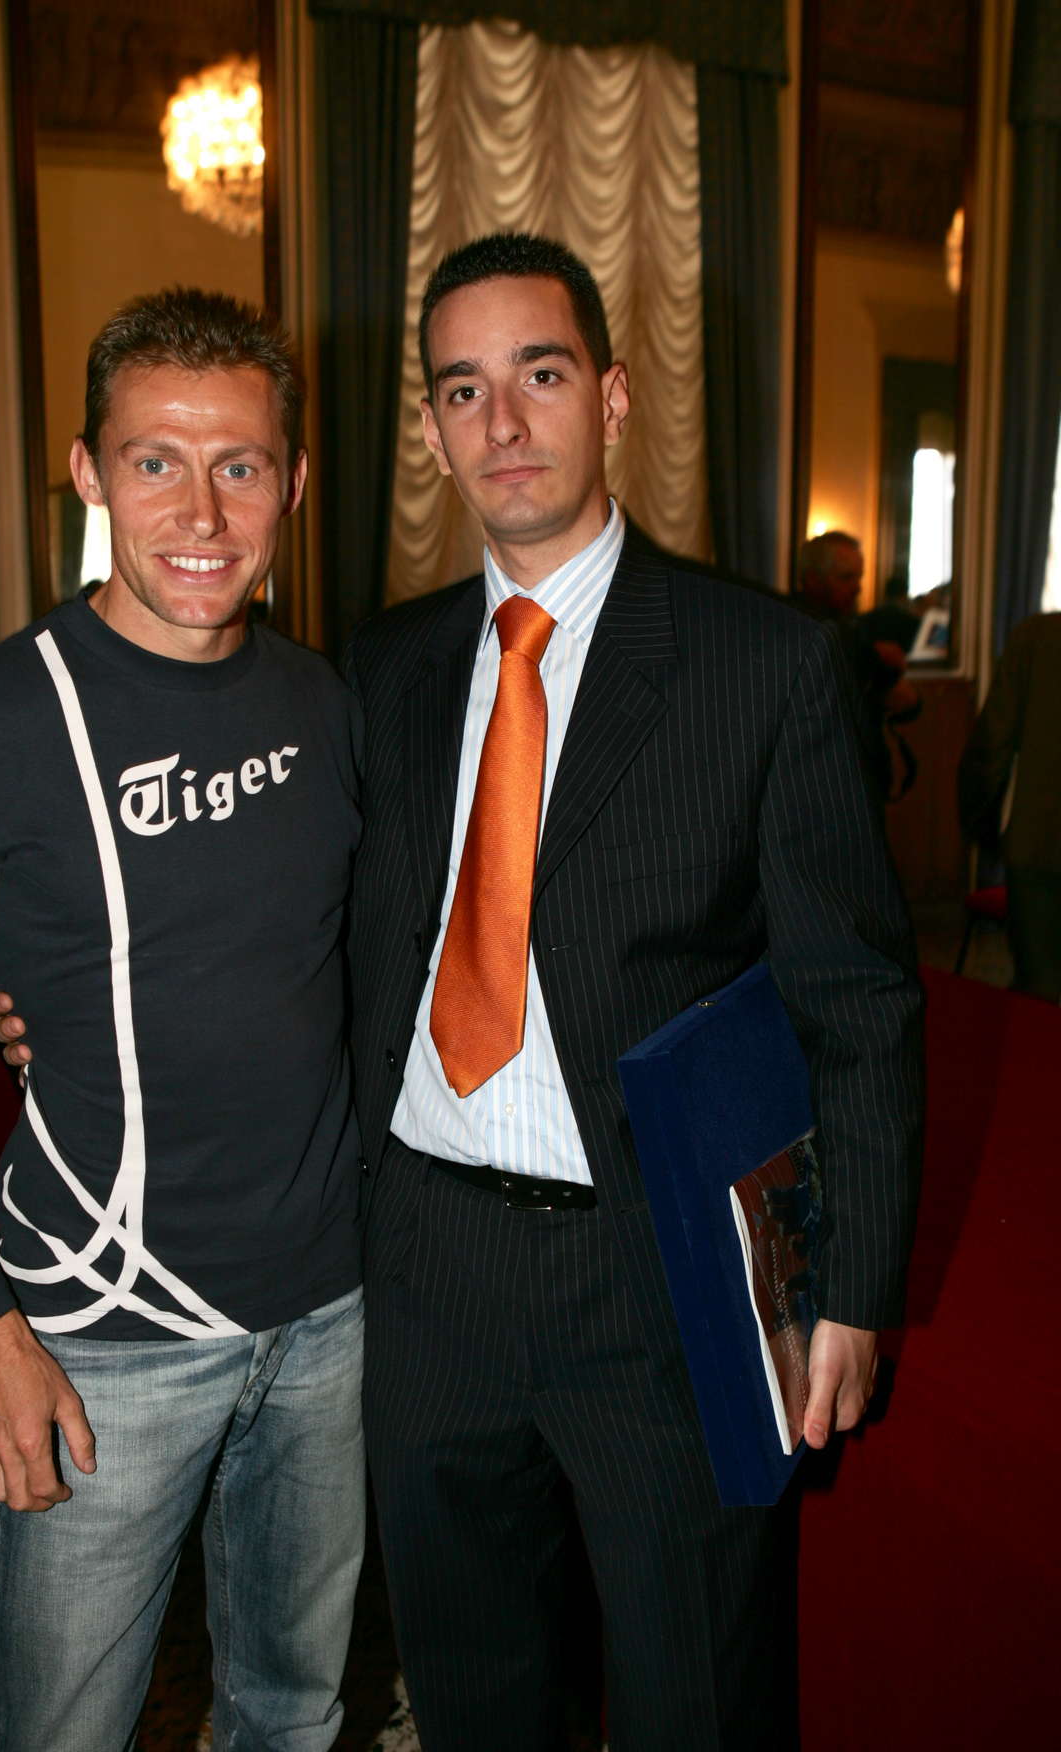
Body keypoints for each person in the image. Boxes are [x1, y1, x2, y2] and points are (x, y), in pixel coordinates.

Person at [344, 235, 923, 1750]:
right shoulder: (380, 672)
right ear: (431, 430)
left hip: (656, 1280)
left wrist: (853, 1287)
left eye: (538, 374)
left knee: (694, 1700)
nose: (502, 421)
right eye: (461, 389)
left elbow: (857, 1002)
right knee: (473, 1699)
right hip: (429, 1274)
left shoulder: (763, 664)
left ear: (608, 396)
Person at [0, 288, 365, 1751]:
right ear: (89, 473)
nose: (201, 513)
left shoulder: (325, 703)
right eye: (156, 461)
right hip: (100, 1337)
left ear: (294, 481)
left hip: (332, 1317)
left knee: (292, 1712)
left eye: (240, 465)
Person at [959, 611, 1061, 1000]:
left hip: (1041, 842)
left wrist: (981, 828)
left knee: (1040, 994)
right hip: (1039, 845)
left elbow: (991, 747)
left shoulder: (1038, 638)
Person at [795, 530, 921, 799]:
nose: (857, 587)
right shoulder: (823, 636)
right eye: (846, 577)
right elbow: (903, 699)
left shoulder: (850, 631)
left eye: (859, 577)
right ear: (813, 580)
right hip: (830, 788)